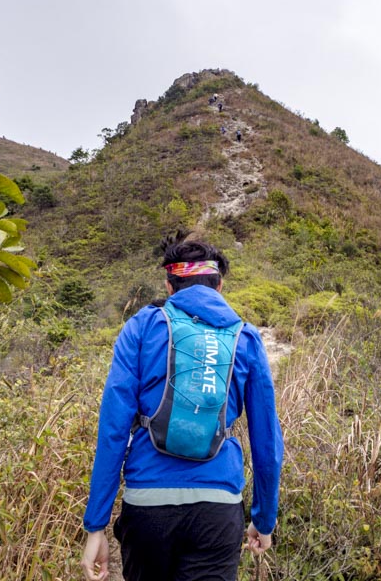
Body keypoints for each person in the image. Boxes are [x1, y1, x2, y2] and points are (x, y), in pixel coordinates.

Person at [81, 238, 284, 581]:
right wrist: (264, 520)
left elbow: (114, 429)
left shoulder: (143, 326)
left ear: (169, 285)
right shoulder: (245, 337)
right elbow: (268, 443)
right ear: (220, 285)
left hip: (148, 504)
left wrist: (96, 525)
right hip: (218, 506)